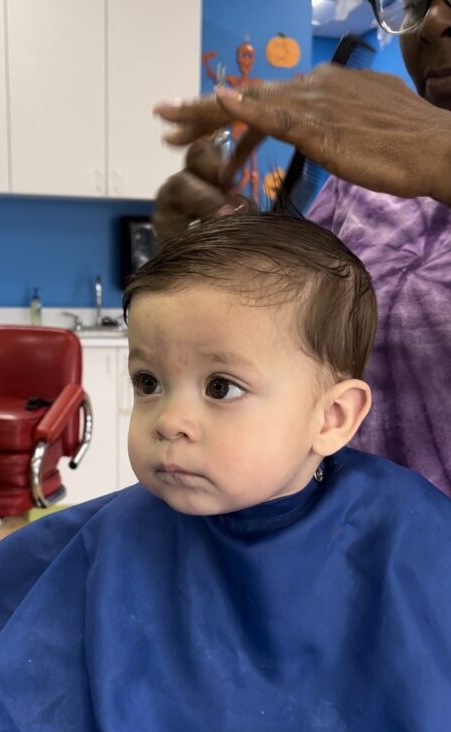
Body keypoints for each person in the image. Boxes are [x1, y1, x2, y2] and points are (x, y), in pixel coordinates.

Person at [0, 213, 451, 732]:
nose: (170, 419)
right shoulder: (110, 536)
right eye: (149, 382)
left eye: (221, 388)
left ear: (332, 418)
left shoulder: (403, 539)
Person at [153, 0, 451, 494]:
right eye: (417, 1)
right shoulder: (360, 183)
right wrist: (215, 265)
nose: (434, 23)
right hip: (340, 550)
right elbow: (278, 352)